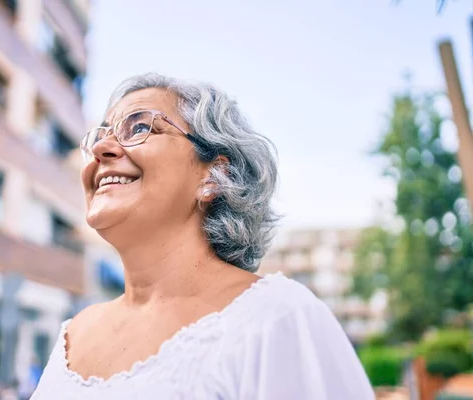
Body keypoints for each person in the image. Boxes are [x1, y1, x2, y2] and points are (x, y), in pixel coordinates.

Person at [31, 73, 375, 399]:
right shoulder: (72, 336)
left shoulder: (277, 318)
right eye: (99, 136)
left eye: (139, 127)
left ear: (214, 176)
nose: (101, 149)